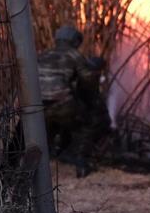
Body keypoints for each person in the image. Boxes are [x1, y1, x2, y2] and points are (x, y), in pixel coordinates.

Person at [37, 24, 110, 178]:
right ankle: (82, 164)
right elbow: (88, 81)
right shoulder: (74, 55)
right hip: (61, 104)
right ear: (74, 41)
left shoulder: (43, 54)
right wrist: (90, 103)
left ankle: (46, 161)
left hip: (38, 106)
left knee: (47, 130)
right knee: (88, 123)